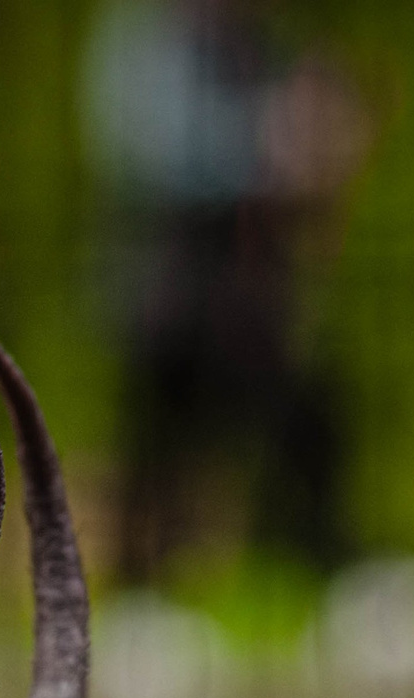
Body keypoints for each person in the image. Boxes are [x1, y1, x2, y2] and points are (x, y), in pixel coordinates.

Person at [86, 0, 367, 585]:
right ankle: (144, 592)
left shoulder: (261, 44)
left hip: (247, 285)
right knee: (158, 440)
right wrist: (272, 145)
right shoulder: (146, 34)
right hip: (166, 278)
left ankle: (327, 566)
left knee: (302, 418)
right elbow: (147, 151)